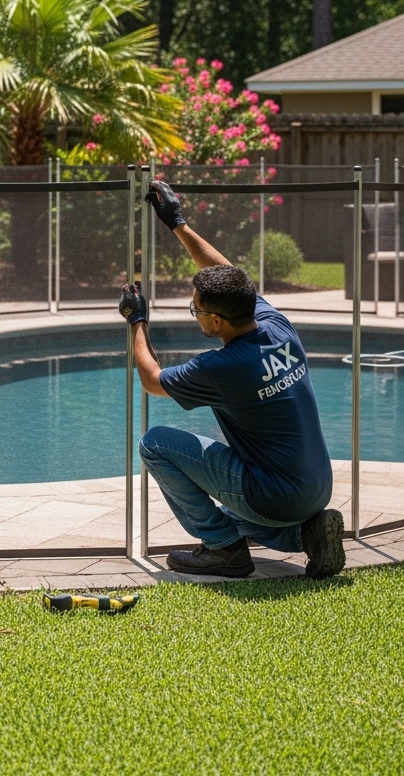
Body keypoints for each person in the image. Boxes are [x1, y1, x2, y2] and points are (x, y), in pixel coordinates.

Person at [118, 179, 345, 579]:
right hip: (315, 488)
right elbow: (228, 276)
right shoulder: (277, 326)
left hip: (275, 495)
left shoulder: (222, 367)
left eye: (197, 309)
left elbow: (152, 380)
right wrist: (177, 222)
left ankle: (224, 551)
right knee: (232, 512)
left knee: (154, 443)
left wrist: (136, 320)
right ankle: (308, 534)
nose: (195, 312)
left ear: (216, 320)